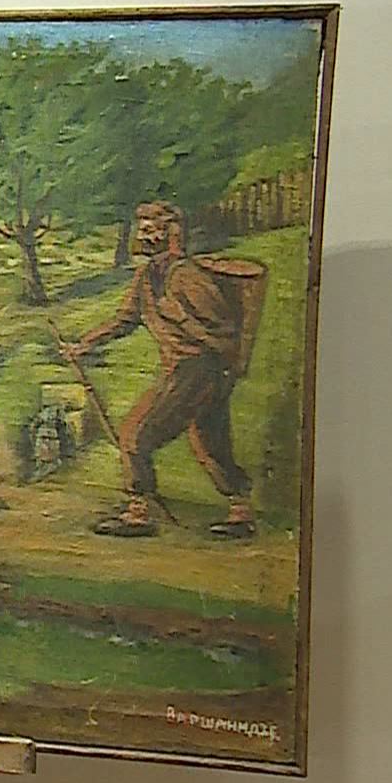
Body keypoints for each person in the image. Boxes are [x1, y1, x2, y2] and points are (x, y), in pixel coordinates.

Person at [61, 201, 264, 539]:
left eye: (151, 230)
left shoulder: (188, 277)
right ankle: (240, 511)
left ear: (172, 234)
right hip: (185, 369)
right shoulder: (146, 278)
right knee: (209, 442)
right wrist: (84, 344)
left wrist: (180, 318)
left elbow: (223, 331)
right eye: (142, 229)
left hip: (199, 368)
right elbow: (125, 319)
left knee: (135, 434)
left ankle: (139, 512)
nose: (143, 236)